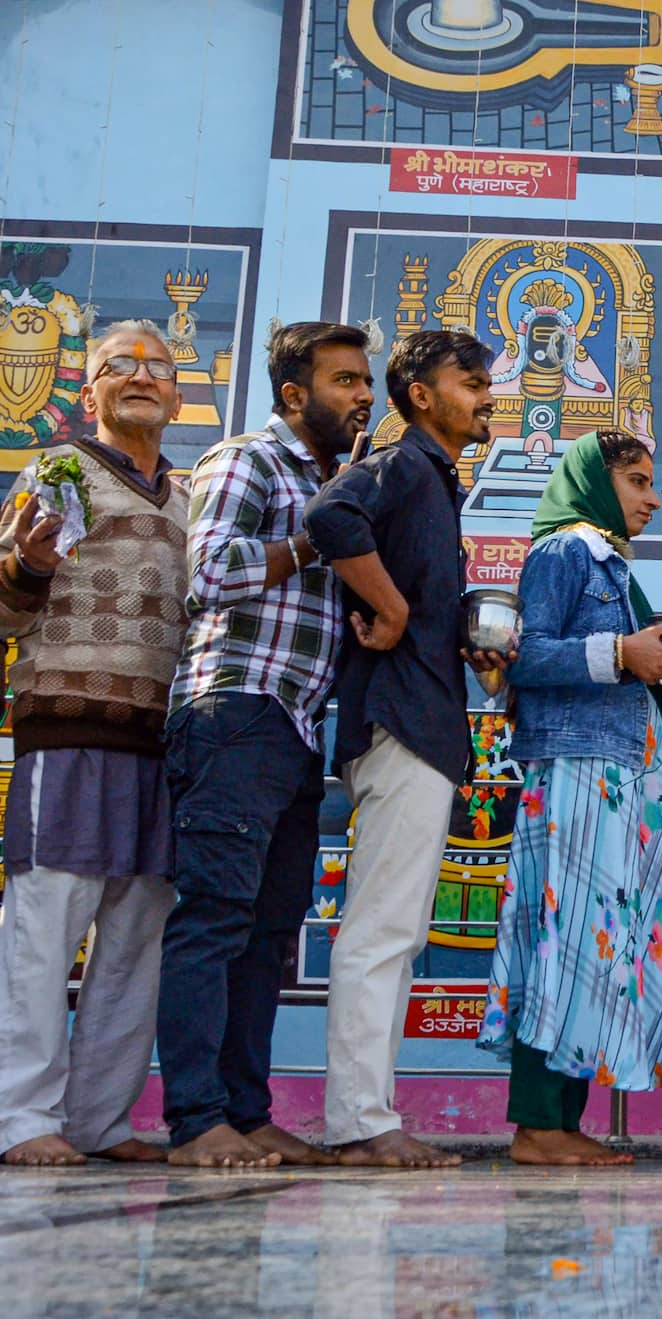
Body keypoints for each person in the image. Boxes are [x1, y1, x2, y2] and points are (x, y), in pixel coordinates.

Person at [157, 321, 373, 1169]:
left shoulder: (337, 480)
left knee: (270, 930)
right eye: (346, 381)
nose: (363, 397)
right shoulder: (246, 459)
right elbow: (208, 573)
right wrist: (321, 535)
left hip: (293, 726)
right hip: (234, 710)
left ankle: (247, 1113)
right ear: (294, 394)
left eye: (365, 382)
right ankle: (194, 1119)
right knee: (214, 917)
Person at [304, 328, 512, 1168]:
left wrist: (449, 631)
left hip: (419, 718)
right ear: (420, 394)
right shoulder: (401, 465)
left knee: (396, 928)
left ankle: (369, 1110)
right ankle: (359, 1119)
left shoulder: (434, 481)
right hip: (399, 719)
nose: (486, 395)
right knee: (382, 930)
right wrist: (389, 612)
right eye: (471, 381)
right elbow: (328, 513)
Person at [477, 428, 662, 1166]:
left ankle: (560, 1122)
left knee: (589, 950)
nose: (653, 496)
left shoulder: (606, 560)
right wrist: (621, 652)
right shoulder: (564, 551)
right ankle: (538, 1122)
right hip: (574, 767)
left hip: (611, 771)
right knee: (563, 943)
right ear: (596, 484)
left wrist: (648, 654)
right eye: (637, 480)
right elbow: (524, 656)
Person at [0, 321, 190, 1166]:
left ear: (178, 395)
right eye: (122, 365)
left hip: (165, 742)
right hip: (68, 731)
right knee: (45, 932)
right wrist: (29, 567)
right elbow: (5, 612)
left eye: (158, 366)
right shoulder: (58, 473)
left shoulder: (192, 499)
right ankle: (22, 1119)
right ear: (91, 391)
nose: (142, 376)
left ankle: (100, 1121)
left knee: (135, 939)